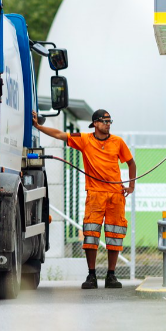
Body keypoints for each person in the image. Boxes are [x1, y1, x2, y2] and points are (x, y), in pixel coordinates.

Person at [32, 108, 136, 289]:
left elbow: (131, 163)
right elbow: (59, 134)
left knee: (115, 235)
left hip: (115, 196)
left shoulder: (118, 142)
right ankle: (92, 275)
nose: (108, 124)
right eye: (104, 121)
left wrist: (131, 186)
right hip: (95, 195)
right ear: (95, 123)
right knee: (90, 234)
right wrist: (38, 126)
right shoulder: (85, 139)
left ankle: (111, 275)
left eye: (110, 121)